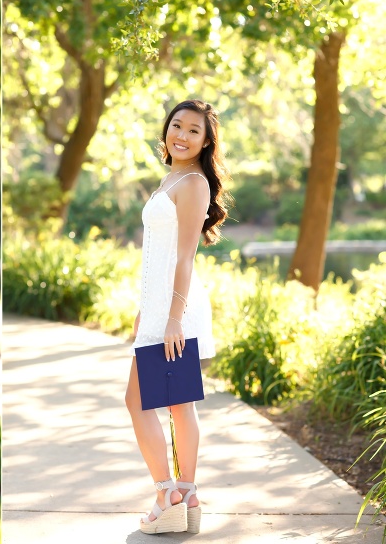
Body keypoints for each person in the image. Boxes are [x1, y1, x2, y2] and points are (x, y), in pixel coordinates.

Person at [125, 99, 227, 535]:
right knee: (164, 403)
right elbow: (157, 256)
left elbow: (184, 257)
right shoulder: (172, 178)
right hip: (159, 307)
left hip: (176, 309)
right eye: (177, 126)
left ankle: (170, 495)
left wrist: (171, 318)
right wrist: (144, 310)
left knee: (155, 403)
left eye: (193, 131)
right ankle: (183, 496)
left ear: (206, 142)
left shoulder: (194, 183)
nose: (181, 136)